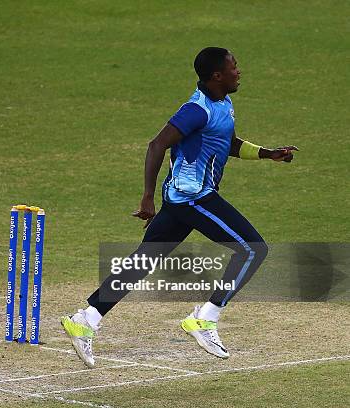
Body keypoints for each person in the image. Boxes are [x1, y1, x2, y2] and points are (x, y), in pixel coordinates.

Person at [61, 47, 298, 367]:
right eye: (234, 67)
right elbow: (157, 144)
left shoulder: (223, 103)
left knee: (143, 260)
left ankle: (85, 320)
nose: (239, 71)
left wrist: (269, 154)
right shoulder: (196, 109)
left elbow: (227, 143)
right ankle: (205, 318)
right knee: (253, 249)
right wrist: (147, 197)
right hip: (193, 197)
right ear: (217, 76)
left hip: (180, 196)